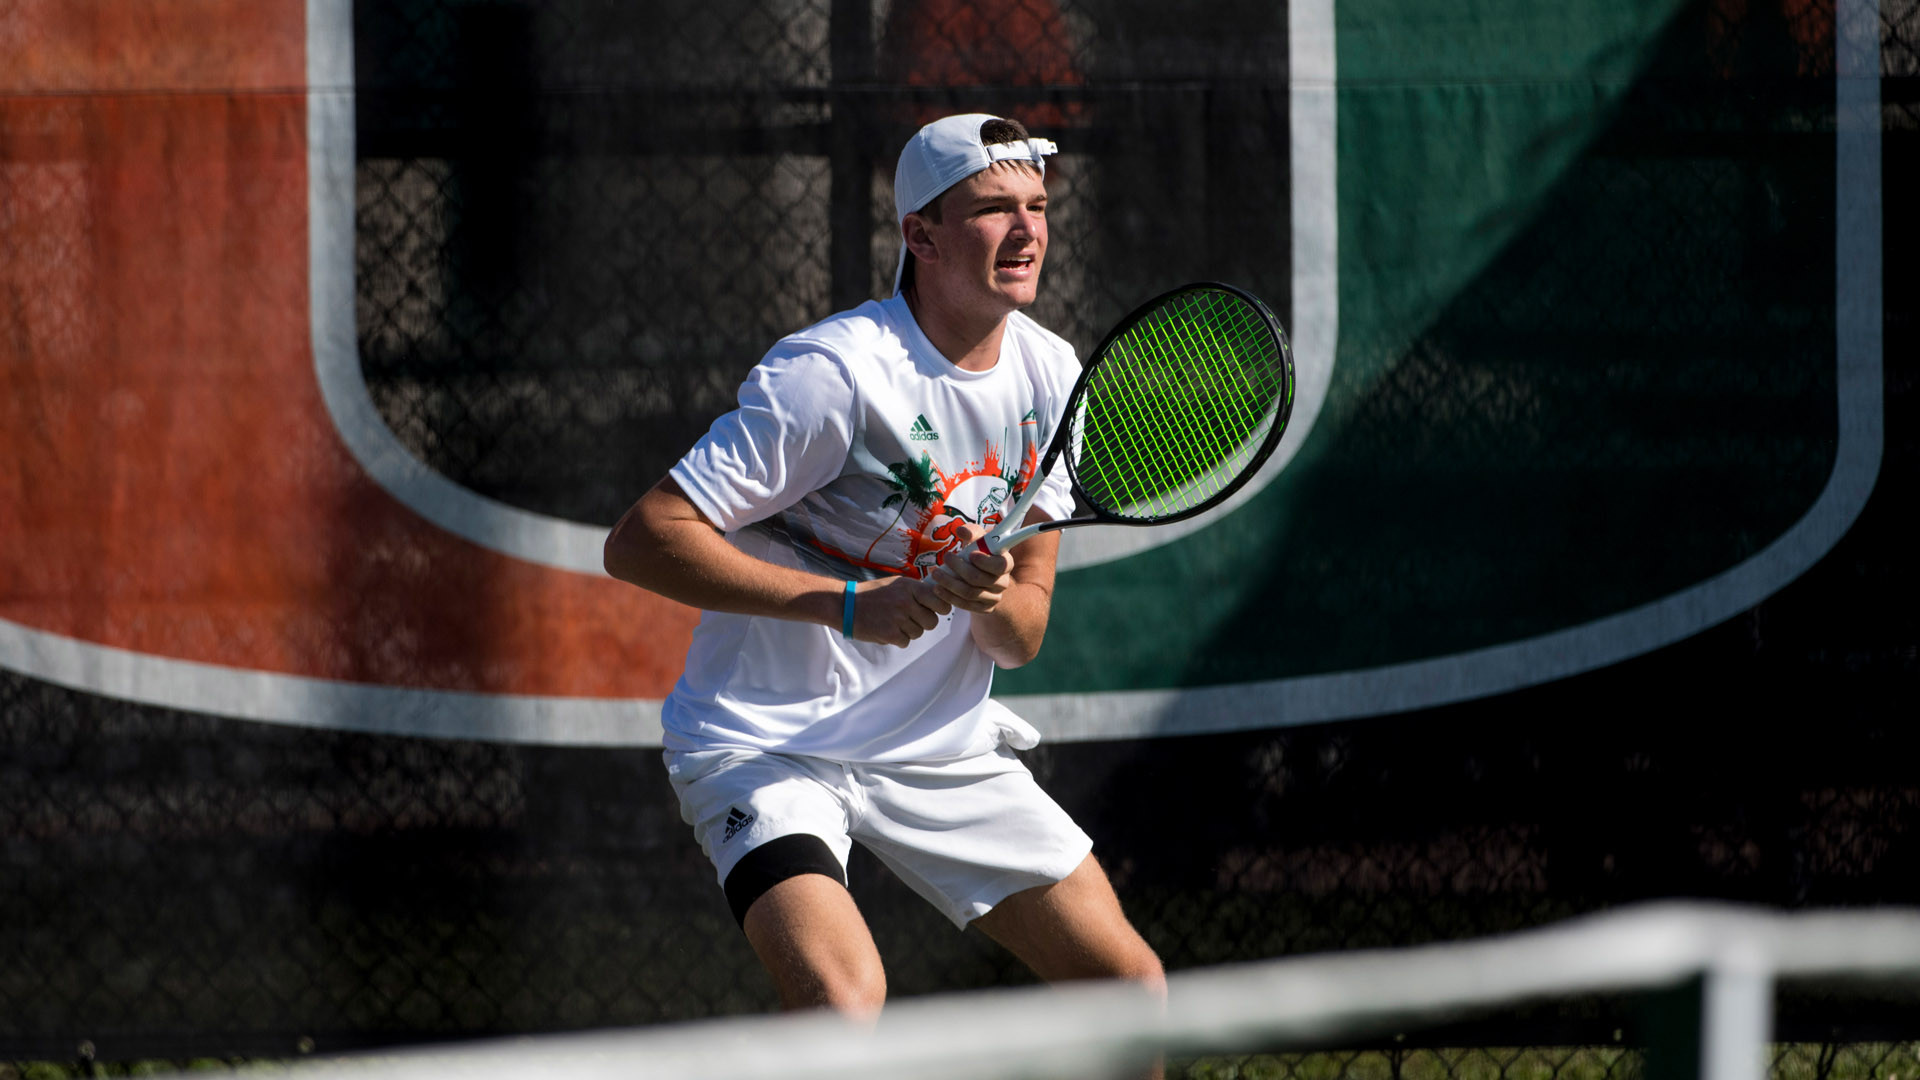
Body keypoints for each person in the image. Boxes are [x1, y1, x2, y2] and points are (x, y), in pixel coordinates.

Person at [604, 114, 1165, 1017]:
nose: (1026, 231)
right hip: (768, 742)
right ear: (922, 236)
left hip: (936, 748)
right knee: (844, 999)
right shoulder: (833, 375)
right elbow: (642, 538)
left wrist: (987, 592)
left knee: (1128, 987)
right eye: (993, 209)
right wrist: (848, 605)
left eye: (1036, 205)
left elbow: (1019, 639)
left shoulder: (1055, 378)